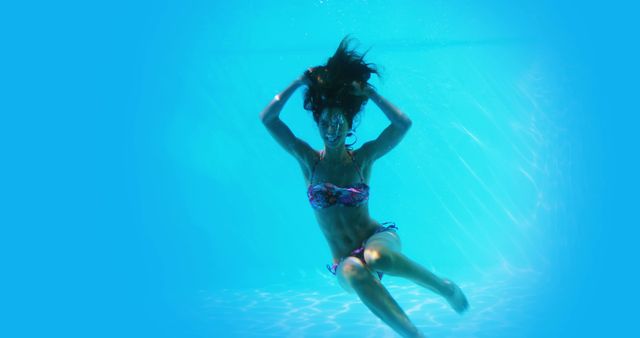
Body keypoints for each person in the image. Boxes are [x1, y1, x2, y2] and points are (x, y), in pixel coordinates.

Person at [259, 37, 469, 338]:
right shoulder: (307, 160)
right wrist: (297, 82)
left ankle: (444, 287)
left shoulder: (363, 158)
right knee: (356, 271)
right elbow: (268, 119)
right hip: (342, 259)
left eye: (338, 123)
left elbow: (402, 125)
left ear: (349, 125)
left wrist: (370, 93)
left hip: (378, 240)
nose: (332, 129)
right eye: (326, 123)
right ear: (318, 124)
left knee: (376, 258)